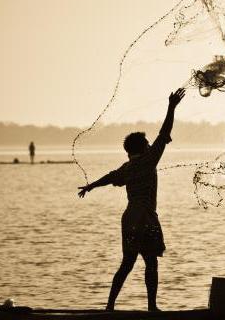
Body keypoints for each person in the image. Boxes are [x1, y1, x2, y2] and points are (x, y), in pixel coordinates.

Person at [78, 88, 186, 311]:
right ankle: (152, 308)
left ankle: (109, 307)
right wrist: (171, 107)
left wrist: (90, 186)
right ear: (143, 148)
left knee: (127, 264)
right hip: (145, 218)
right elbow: (164, 133)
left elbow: (109, 178)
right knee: (151, 263)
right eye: (147, 144)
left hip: (129, 219)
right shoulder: (148, 160)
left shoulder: (127, 168)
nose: (150, 146)